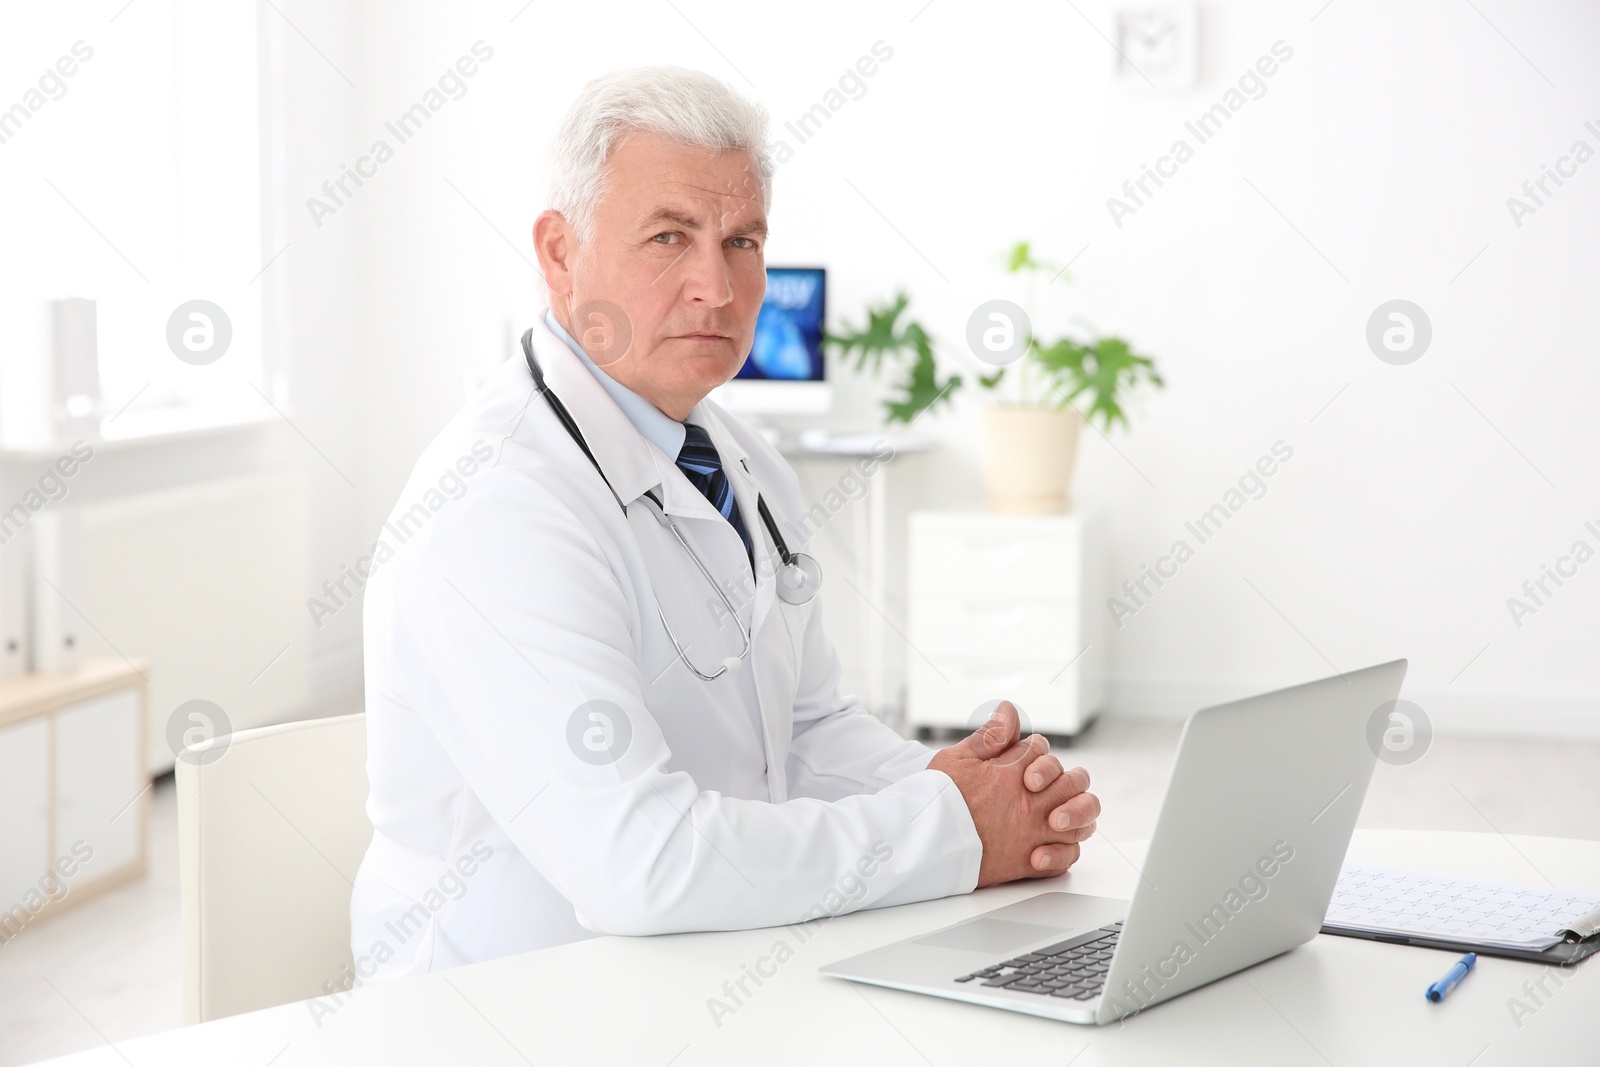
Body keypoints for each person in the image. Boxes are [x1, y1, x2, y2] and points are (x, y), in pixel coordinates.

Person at [350, 65, 1098, 983]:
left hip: (703, 962)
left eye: (743, 240)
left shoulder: (741, 460)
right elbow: (638, 864)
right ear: (559, 254)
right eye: (670, 235)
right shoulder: (493, 507)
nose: (717, 283)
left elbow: (807, 727)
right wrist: (950, 828)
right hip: (507, 1002)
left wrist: (968, 784)